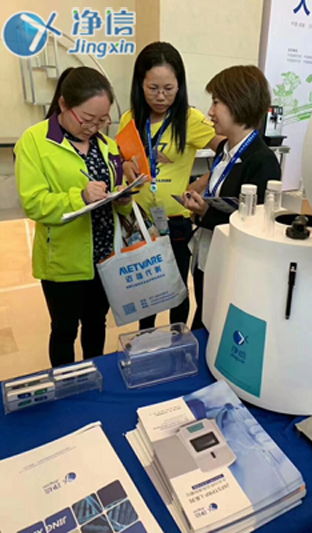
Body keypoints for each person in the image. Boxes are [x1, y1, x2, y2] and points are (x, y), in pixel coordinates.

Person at [15, 67, 133, 367]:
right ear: (64, 104)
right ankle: (66, 384)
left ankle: (95, 376)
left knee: (96, 324)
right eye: (87, 119)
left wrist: (124, 198)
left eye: (102, 120)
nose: (94, 127)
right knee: (65, 329)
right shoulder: (35, 141)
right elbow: (34, 203)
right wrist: (79, 196)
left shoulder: (107, 145)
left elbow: (117, 197)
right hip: (63, 260)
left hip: (105, 257)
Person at [119, 41, 221, 330]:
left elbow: (228, 152)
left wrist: (199, 184)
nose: (161, 96)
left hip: (175, 221)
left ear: (180, 86)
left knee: (178, 290)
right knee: (147, 290)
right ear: (140, 84)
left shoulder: (190, 119)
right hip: (139, 221)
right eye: (153, 88)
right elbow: (121, 156)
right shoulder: (130, 118)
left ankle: (178, 341)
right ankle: (146, 340)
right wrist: (124, 166)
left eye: (169, 88)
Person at [182, 65, 282, 330]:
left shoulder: (262, 161)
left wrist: (206, 212)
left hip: (232, 266)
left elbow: (256, 227)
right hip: (207, 254)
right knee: (204, 314)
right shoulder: (224, 150)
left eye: (216, 102)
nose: (210, 112)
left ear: (239, 102)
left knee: (217, 325)